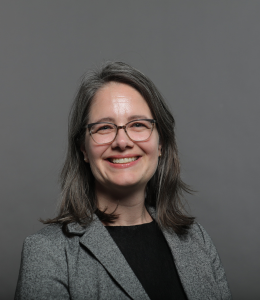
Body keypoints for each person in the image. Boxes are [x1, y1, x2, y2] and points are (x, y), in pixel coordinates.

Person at [15, 62, 232, 300]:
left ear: (160, 144)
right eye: (104, 127)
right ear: (84, 150)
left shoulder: (197, 240)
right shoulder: (48, 253)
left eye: (138, 124)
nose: (122, 141)